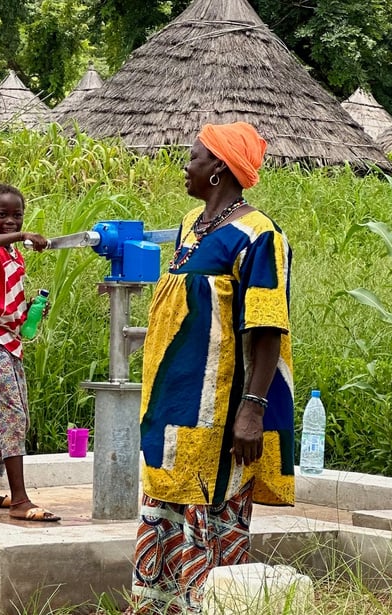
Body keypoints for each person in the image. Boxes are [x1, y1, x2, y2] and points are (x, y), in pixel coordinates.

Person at [130, 122, 294, 613]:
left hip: (220, 414)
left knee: (210, 510)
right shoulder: (189, 225)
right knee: (164, 507)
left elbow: (266, 328)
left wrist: (253, 410)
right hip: (170, 406)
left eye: (195, 157)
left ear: (219, 169)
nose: (186, 164)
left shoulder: (258, 235)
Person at [0, 183, 60, 523]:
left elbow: (5, 294)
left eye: (17, 215)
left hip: (9, 339)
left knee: (18, 420)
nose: (10, 221)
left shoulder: (12, 254)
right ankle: (20, 500)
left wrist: (29, 310)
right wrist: (19, 236)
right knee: (13, 418)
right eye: (1, 215)